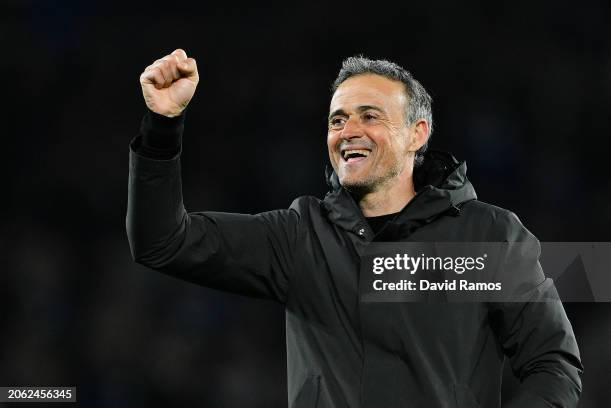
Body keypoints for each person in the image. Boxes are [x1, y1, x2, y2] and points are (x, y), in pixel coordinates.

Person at [127, 49, 583, 407]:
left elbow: (553, 364)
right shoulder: (301, 236)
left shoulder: (488, 235)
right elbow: (163, 242)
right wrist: (163, 126)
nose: (348, 131)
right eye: (338, 120)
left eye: (370, 116)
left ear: (417, 133)